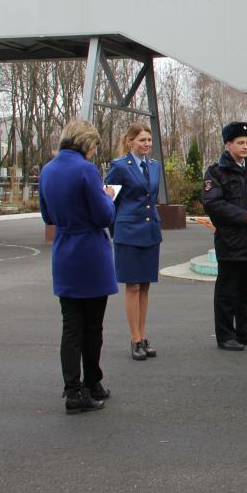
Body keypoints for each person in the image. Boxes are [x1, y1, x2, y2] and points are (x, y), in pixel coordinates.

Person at [39, 118, 117, 414]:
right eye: (94, 146)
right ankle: (92, 382)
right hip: (91, 252)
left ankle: (72, 388)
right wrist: (109, 198)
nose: (94, 152)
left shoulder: (48, 170)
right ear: (86, 142)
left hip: (64, 251)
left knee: (71, 326)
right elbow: (102, 216)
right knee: (93, 326)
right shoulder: (86, 170)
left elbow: (48, 216)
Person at [202, 122, 247, 351]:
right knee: (227, 292)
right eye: (240, 143)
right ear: (228, 144)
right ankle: (225, 335)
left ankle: (244, 331)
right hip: (230, 241)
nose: (245, 147)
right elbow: (213, 203)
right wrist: (245, 216)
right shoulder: (216, 172)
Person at [105, 123, 163, 361]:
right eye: (142, 140)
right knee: (133, 286)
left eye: (149, 140)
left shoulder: (155, 166)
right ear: (130, 142)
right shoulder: (119, 167)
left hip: (149, 231)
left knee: (146, 285)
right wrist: (116, 230)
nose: (147, 144)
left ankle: (143, 335)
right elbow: (108, 202)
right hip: (128, 232)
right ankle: (135, 339)